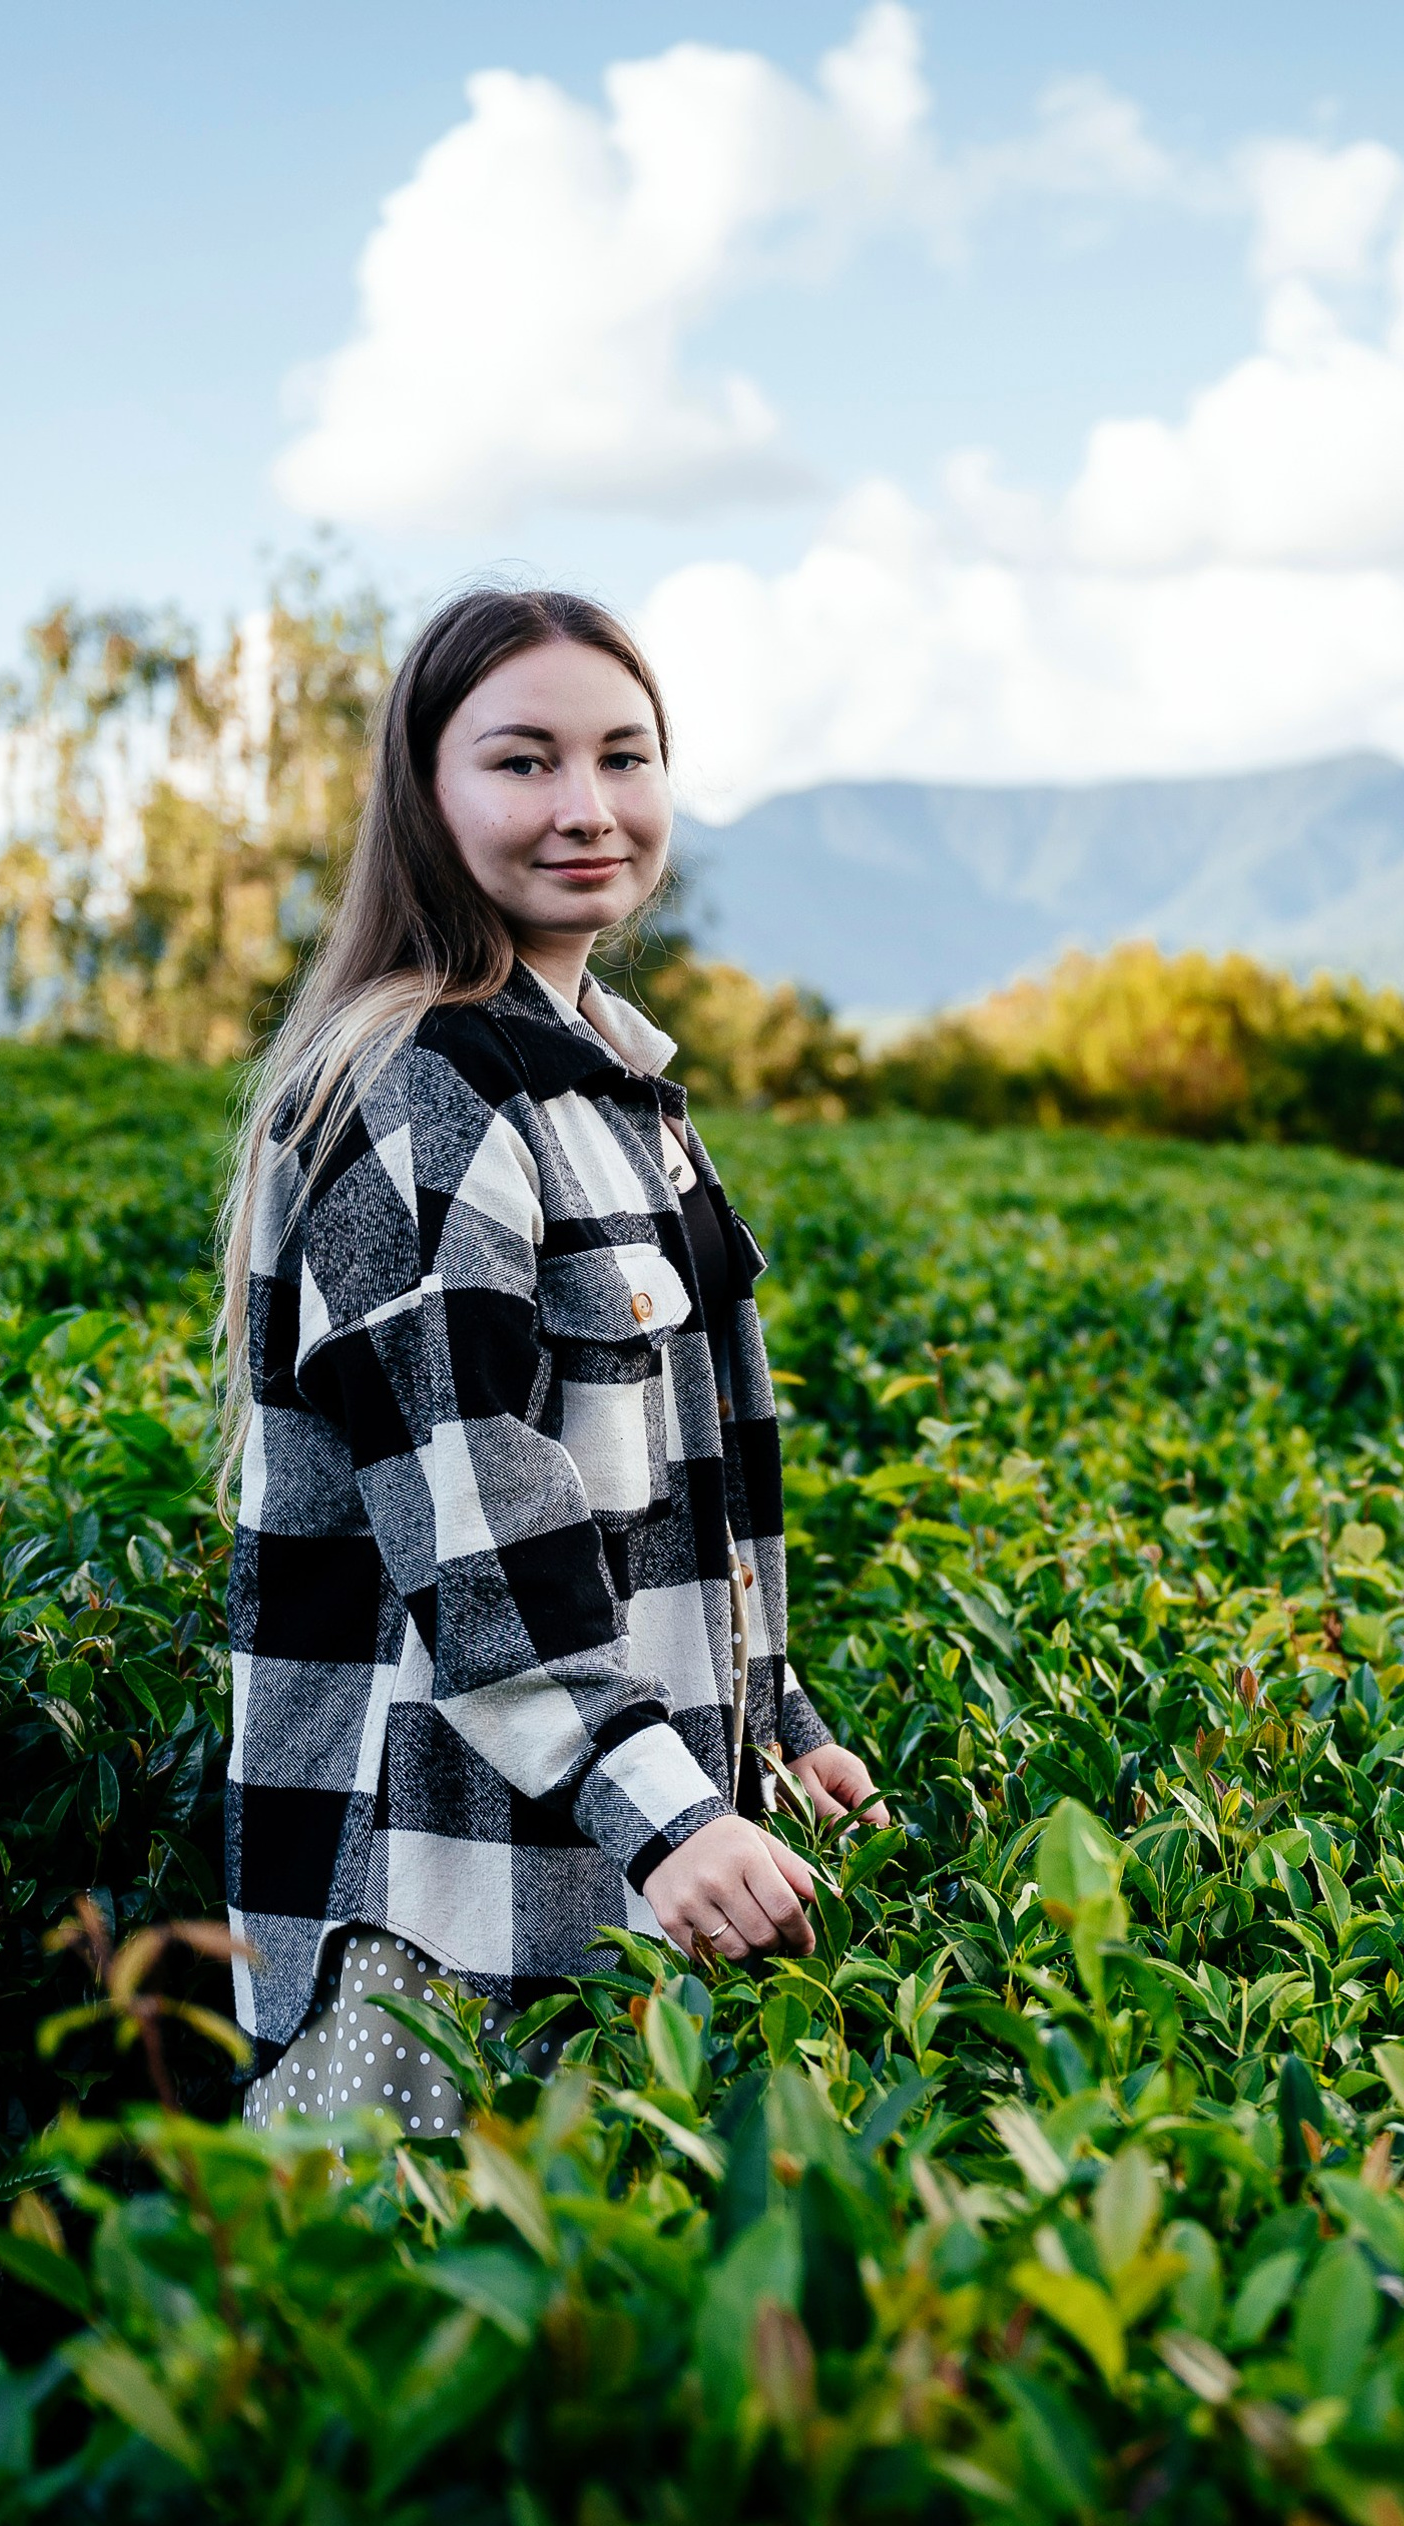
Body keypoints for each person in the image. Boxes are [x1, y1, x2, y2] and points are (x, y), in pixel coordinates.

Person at [217, 586, 882, 2127]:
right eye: (522, 763)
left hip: (611, 1871)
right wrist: (673, 1817)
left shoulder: (616, 1086)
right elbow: (479, 1545)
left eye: (625, 757)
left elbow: (670, 1506)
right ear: (426, 798)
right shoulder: (421, 1102)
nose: (588, 809)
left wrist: (777, 1732)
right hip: (436, 1909)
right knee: (375, 2336)